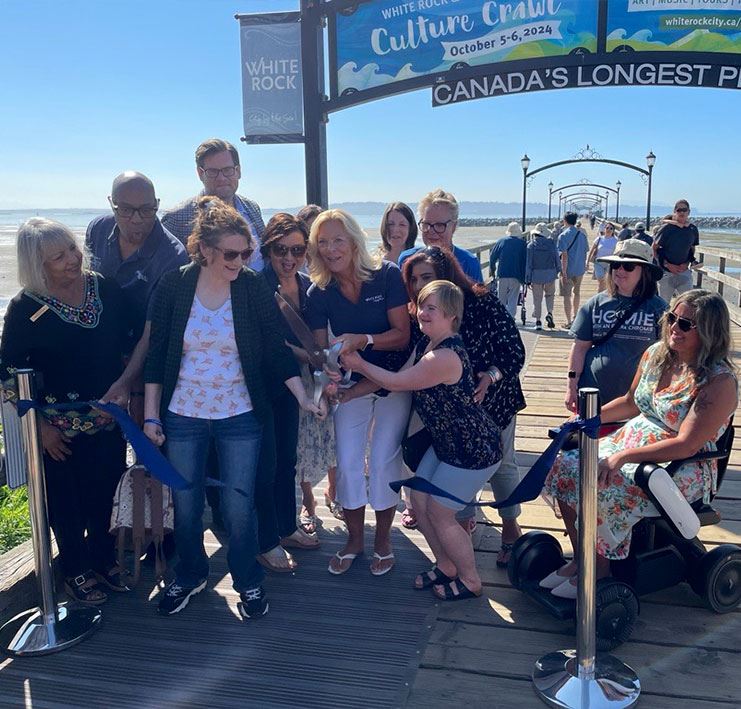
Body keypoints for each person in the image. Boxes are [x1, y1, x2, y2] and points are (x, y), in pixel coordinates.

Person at [144, 197, 321, 619]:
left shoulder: (251, 287)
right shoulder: (173, 286)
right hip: (184, 413)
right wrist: (151, 415)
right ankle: (190, 574)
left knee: (240, 504)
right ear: (204, 249)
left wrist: (303, 396)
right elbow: (157, 356)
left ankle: (248, 580)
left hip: (241, 415)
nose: (240, 261)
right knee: (186, 504)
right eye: (230, 254)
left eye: (246, 253)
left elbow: (276, 354)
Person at [543, 289, 737, 597]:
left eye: (686, 324)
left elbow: (687, 444)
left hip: (678, 466)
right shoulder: (658, 354)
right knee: (565, 464)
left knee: (602, 483)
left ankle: (601, 570)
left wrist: (624, 458)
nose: (674, 327)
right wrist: (584, 420)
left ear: (710, 331)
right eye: (672, 318)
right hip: (631, 441)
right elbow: (631, 403)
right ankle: (584, 559)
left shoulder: (718, 382)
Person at [1, 219, 134, 604]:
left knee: (105, 494)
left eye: (72, 249)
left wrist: (129, 391)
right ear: (37, 264)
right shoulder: (25, 307)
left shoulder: (104, 288)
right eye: (57, 256)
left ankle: (104, 560)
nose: (72, 259)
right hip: (55, 432)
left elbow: (137, 339)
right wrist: (39, 427)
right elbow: (6, 370)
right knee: (65, 504)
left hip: (108, 420)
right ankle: (75, 571)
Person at [341, 280, 502, 600]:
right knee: (416, 500)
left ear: (452, 316)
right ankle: (446, 565)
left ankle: (471, 580)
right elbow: (390, 378)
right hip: (446, 445)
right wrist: (350, 393)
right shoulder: (427, 344)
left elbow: (398, 382)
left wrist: (359, 363)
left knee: (441, 513)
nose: (423, 313)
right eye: (422, 306)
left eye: (433, 309)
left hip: (473, 448)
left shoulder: (443, 356)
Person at [402, 247, 526, 566]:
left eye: (426, 277)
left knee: (504, 467)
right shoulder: (422, 312)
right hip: (453, 414)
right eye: (414, 279)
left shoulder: (481, 302)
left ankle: (511, 528)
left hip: (494, 399)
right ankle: (459, 536)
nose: (419, 285)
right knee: (455, 471)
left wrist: (490, 376)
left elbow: (514, 350)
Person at [305, 209, 411, 576]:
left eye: (338, 240)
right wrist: (328, 381)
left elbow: (403, 334)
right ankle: (354, 539)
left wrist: (363, 340)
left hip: (393, 381)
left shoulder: (387, 276)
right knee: (348, 461)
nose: (331, 249)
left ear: (353, 241)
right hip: (351, 387)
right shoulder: (318, 291)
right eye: (322, 242)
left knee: (383, 459)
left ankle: (383, 539)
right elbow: (322, 353)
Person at [86, 171, 189, 424]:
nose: (136, 219)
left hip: (147, 347)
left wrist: (125, 382)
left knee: (143, 426)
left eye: (146, 210)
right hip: (101, 342)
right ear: (112, 204)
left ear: (157, 205)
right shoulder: (97, 229)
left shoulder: (173, 256)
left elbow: (152, 331)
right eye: (126, 210)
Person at [258, 213, 323, 563]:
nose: (288, 257)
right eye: (280, 249)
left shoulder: (306, 284)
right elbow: (268, 343)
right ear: (268, 248)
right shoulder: (256, 285)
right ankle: (265, 540)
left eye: (297, 249)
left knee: (287, 459)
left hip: (294, 385)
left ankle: (286, 527)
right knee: (265, 463)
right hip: (262, 384)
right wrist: (310, 355)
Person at [565, 239, 667, 413]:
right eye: (615, 265)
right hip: (593, 394)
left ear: (645, 272)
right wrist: (571, 386)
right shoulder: (595, 304)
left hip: (638, 400)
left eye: (628, 266)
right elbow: (580, 347)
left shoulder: (659, 309)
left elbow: (669, 355)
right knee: (589, 439)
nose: (620, 270)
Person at [294, 204, 343, 526]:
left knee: (337, 437)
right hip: (306, 371)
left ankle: (335, 492)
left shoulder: (340, 276)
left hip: (341, 366)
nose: (323, 247)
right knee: (305, 439)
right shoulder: (298, 281)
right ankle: (309, 502)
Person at [161, 137, 266, 271]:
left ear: (238, 171)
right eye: (213, 172)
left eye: (228, 170)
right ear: (200, 173)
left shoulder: (252, 208)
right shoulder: (178, 218)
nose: (221, 178)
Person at [398, 189, 483, 282]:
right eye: (426, 224)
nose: (431, 231)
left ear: (453, 227)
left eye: (439, 225)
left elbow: (478, 295)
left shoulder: (468, 262)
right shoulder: (407, 259)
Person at [653, 199, 699, 302]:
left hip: (684, 272)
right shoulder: (666, 228)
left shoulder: (693, 229)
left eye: (684, 210)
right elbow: (654, 248)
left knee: (689, 302)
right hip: (666, 273)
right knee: (664, 306)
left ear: (689, 212)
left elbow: (692, 248)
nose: (682, 212)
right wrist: (667, 265)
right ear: (675, 212)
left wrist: (687, 263)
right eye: (679, 210)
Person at [557, 212, 589, 328]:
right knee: (577, 293)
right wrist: (585, 265)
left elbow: (564, 256)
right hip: (579, 269)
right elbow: (585, 252)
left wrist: (563, 272)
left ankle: (569, 321)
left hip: (568, 270)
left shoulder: (563, 236)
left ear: (565, 220)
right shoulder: (582, 235)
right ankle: (576, 316)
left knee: (567, 295)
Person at [525, 223, 560, 330]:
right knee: (550, 295)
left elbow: (529, 264)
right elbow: (556, 258)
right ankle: (549, 313)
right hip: (550, 273)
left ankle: (538, 321)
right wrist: (558, 271)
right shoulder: (551, 244)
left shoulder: (531, 246)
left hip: (536, 275)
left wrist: (528, 279)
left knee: (537, 299)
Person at [488, 222, 526, 318]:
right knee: (513, 297)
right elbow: (525, 260)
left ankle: (501, 317)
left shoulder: (502, 241)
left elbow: (492, 257)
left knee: (501, 298)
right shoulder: (522, 243)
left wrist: (492, 270)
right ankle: (511, 318)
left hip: (502, 273)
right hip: (517, 274)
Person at [587, 221, 619, 292]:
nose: (609, 229)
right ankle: (600, 297)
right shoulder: (599, 239)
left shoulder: (616, 241)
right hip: (598, 262)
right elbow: (591, 251)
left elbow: (618, 253)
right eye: (607, 228)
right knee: (601, 281)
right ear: (604, 229)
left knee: (607, 282)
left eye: (611, 228)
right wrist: (587, 262)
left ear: (613, 231)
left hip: (610, 263)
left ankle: (602, 295)